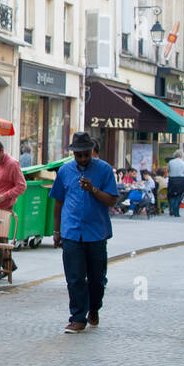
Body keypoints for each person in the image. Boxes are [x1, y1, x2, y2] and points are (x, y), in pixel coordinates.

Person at [51, 132, 119, 333]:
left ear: (92, 151)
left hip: (96, 232)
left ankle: (94, 307)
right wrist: (57, 230)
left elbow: (112, 201)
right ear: (73, 153)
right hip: (72, 232)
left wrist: (94, 190)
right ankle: (77, 317)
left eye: (86, 155)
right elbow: (58, 202)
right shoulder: (64, 171)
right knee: (75, 277)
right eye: (78, 155)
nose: (82, 159)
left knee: (97, 279)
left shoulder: (104, 170)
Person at [0, 139, 27, 212]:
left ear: (2, 151)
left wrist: (5, 196)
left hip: (4, 208)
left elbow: (22, 186)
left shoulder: (13, 164)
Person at [167, 149, 184, 217]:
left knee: (171, 195)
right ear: (181, 155)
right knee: (179, 196)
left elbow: (169, 170)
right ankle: (176, 212)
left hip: (172, 179)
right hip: (181, 180)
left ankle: (172, 208)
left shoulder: (170, 162)